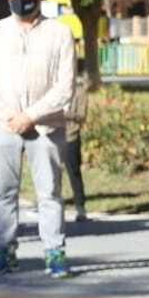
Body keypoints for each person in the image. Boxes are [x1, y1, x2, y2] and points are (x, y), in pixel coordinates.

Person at [0, 0, 76, 277]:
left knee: (50, 192)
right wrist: (8, 115)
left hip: (45, 126)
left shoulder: (59, 33)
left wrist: (29, 116)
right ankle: (5, 248)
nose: (21, 0)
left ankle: (54, 252)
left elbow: (65, 86)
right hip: (3, 125)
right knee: (4, 191)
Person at [62, 69, 88, 222]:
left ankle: (80, 207)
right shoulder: (56, 90)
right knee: (52, 174)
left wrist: (65, 114)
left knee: (74, 173)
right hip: (53, 135)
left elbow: (82, 116)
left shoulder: (80, 92)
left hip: (70, 136)